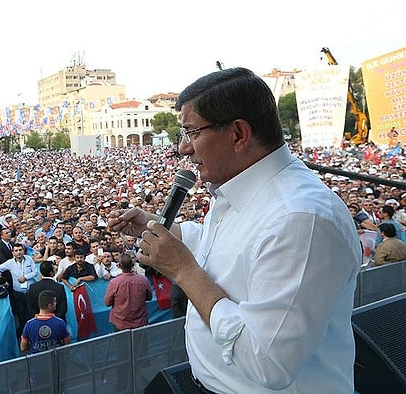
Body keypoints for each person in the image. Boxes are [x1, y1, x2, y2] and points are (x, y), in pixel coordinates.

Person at [109, 67, 361, 392]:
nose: (183, 149)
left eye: (191, 132)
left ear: (239, 134)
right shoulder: (237, 187)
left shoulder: (301, 219)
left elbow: (268, 363)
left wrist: (184, 271)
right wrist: (170, 232)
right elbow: (235, 252)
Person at [103, 254, 152, 330]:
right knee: (141, 342)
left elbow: (107, 303)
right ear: (132, 265)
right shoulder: (143, 280)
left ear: (119, 266)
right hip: (139, 322)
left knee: (122, 342)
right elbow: (149, 297)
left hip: (121, 323)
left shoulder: (114, 283)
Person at [20, 290, 70, 354]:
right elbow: (67, 343)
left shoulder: (29, 324)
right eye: (55, 302)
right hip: (57, 360)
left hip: (37, 361)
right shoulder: (60, 323)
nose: (56, 303)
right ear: (50, 306)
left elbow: (23, 347)